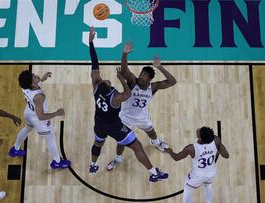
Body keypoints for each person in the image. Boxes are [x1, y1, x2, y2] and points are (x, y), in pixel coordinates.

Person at [88, 26, 168, 182]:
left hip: (99, 124)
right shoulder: (115, 97)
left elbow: (94, 64)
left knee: (98, 144)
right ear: (107, 84)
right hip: (115, 125)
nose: (107, 79)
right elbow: (129, 93)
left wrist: (91, 43)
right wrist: (121, 80)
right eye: (108, 80)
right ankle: (153, 173)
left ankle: (92, 164)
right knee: (137, 146)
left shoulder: (96, 86)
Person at [107, 42, 177, 171]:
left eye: (145, 75)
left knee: (151, 131)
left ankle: (156, 143)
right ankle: (118, 158)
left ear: (149, 79)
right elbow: (124, 70)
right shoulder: (133, 82)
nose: (141, 76)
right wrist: (124, 54)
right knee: (121, 141)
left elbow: (173, 82)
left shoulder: (153, 87)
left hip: (142, 117)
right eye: (141, 74)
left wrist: (160, 67)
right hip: (125, 118)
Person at [8, 70, 71, 169]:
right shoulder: (39, 97)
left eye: (33, 75)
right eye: (34, 77)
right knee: (51, 138)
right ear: (32, 83)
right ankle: (57, 161)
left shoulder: (24, 86)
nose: (35, 75)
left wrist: (41, 79)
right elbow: (41, 116)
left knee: (27, 129)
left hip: (28, 112)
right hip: (38, 119)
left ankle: (15, 149)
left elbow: (33, 87)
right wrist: (57, 113)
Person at [164, 126, 229, 203]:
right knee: (208, 186)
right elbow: (226, 155)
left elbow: (176, 158)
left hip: (197, 175)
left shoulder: (191, 148)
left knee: (187, 188)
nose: (197, 129)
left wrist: (170, 151)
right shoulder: (216, 140)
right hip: (211, 172)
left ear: (200, 138)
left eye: (199, 131)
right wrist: (217, 149)